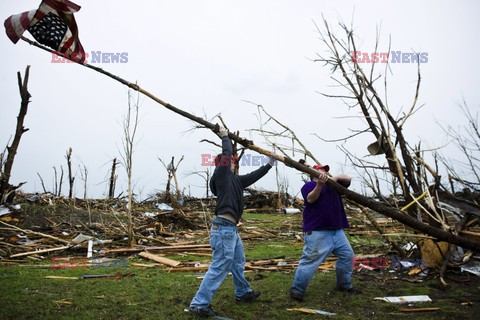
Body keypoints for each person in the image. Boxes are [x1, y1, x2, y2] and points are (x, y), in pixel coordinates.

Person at [189, 126, 276, 317]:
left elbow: (254, 176)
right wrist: (224, 136)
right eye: (231, 162)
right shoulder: (220, 176)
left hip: (231, 231)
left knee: (238, 262)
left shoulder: (236, 181)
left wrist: (270, 164)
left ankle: (242, 292)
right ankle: (199, 304)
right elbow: (227, 153)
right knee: (220, 265)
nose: (234, 164)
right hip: (223, 229)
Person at [290, 164, 361, 302]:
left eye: (325, 170)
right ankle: (297, 289)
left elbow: (348, 178)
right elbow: (311, 199)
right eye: (321, 170)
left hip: (337, 231)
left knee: (348, 257)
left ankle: (344, 285)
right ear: (313, 173)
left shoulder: (334, 185)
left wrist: (333, 178)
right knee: (310, 261)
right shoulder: (309, 186)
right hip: (317, 232)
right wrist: (320, 185)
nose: (324, 172)